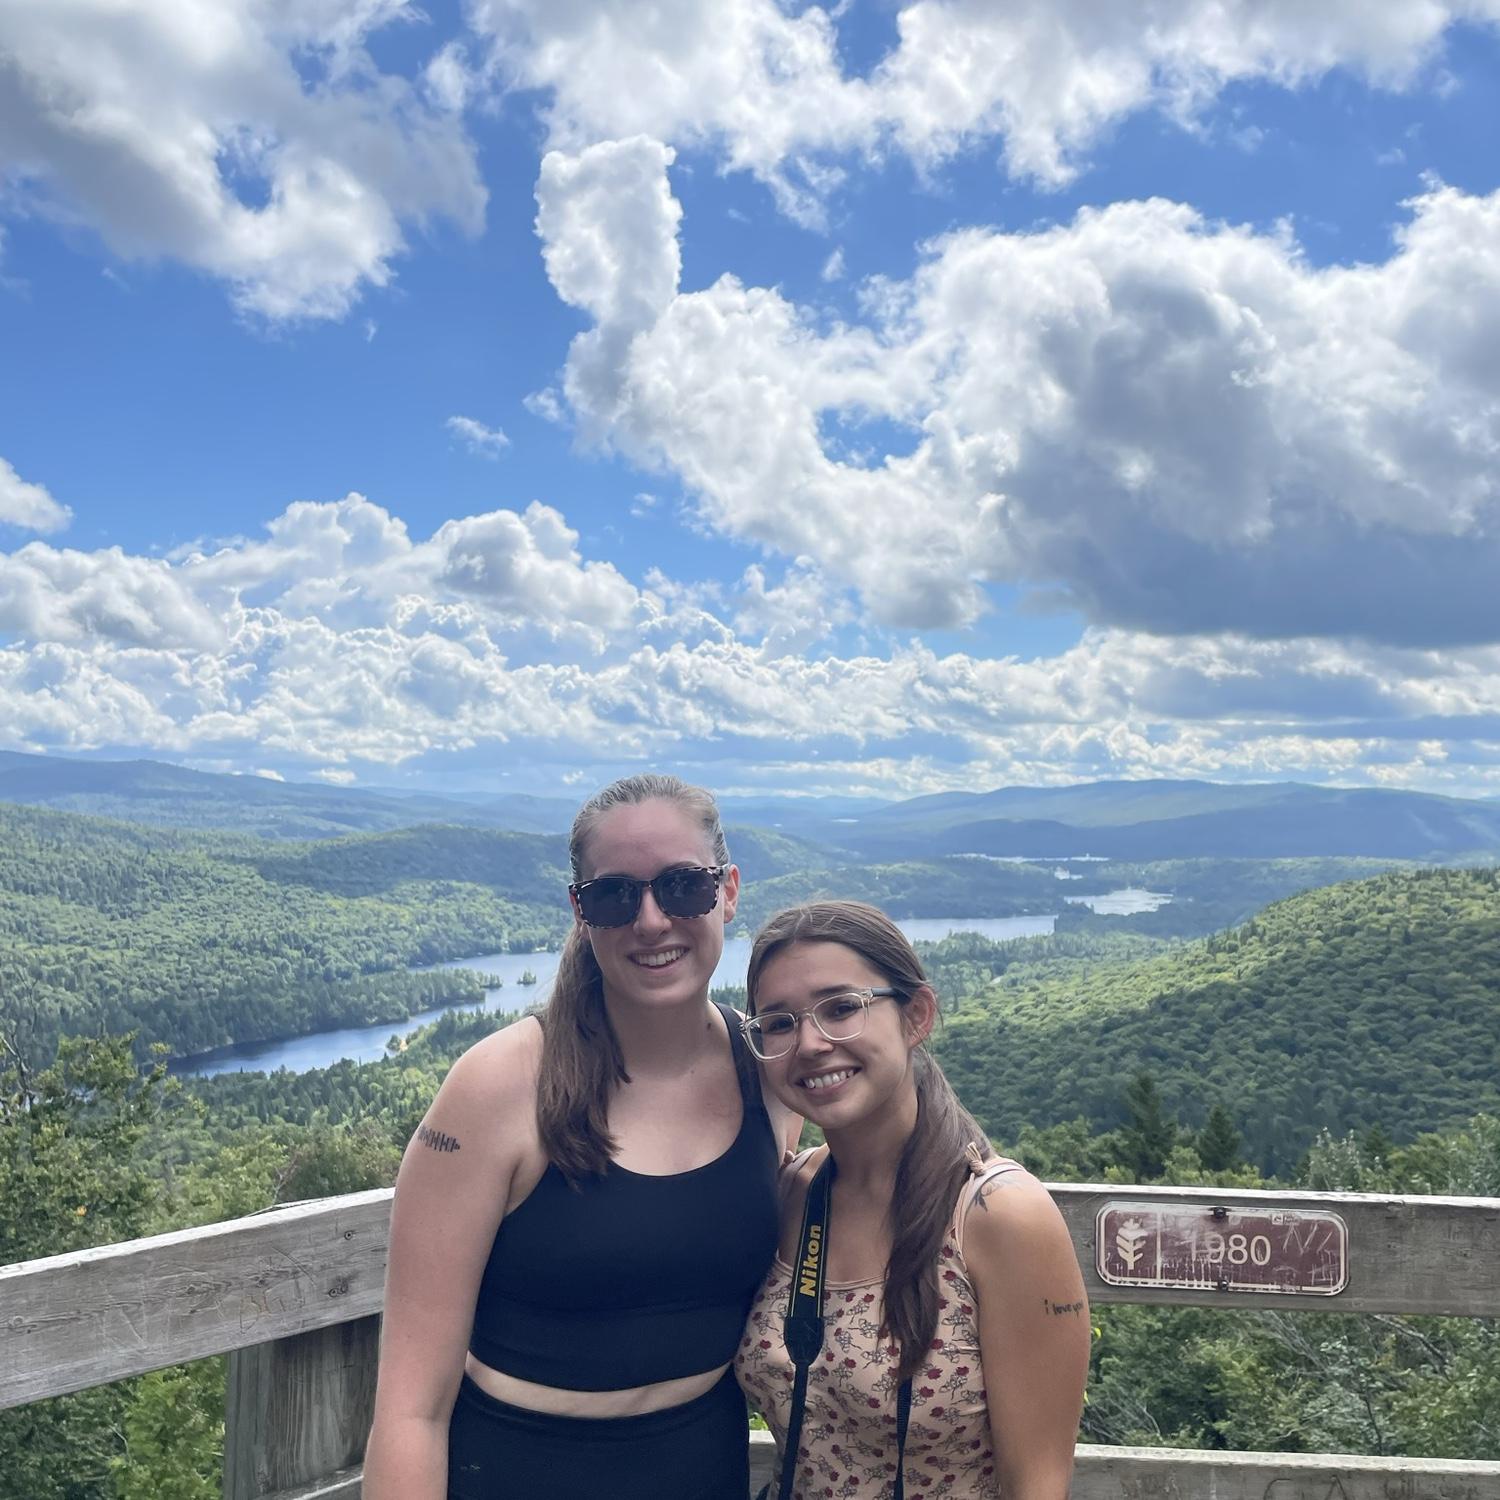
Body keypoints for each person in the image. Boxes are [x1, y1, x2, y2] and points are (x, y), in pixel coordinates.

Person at [363, 774, 800, 1500]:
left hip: (704, 1469)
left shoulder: (767, 1074)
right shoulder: (498, 1087)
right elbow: (411, 1407)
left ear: (728, 891)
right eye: (615, 895)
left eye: (683, 886)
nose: (653, 921)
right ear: (581, 911)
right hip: (517, 1472)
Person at [735, 901, 1089, 1500]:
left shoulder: (998, 1216)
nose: (811, 1043)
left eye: (842, 1008)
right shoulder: (795, 1197)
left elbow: (1037, 1484)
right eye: (779, 1022)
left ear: (916, 1015)